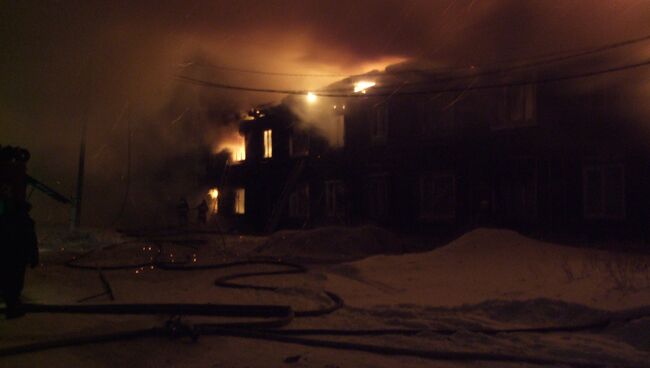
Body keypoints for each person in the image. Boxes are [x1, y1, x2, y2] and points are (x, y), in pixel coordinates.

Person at [0, 200, 39, 319]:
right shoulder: (26, 222)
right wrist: (34, 258)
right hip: (18, 258)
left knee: (8, 283)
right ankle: (13, 308)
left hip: (7, 257)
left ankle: (12, 307)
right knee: (15, 284)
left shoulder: (5, 220)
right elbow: (31, 242)